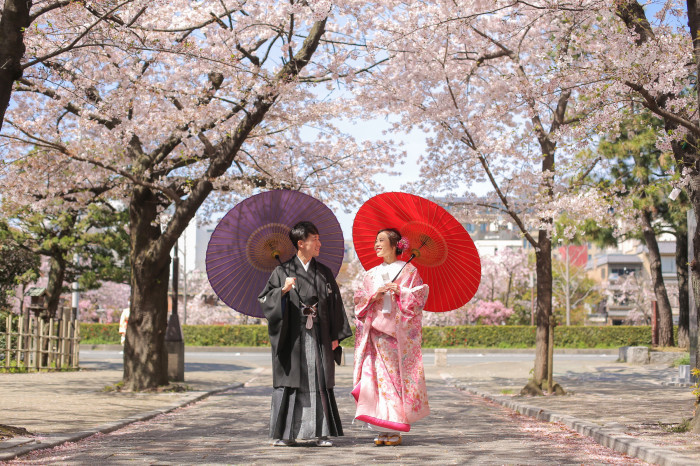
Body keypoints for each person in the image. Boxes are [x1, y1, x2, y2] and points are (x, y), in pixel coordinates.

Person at [258, 221, 352, 447]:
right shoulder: (282, 271)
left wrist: (336, 335)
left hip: (320, 333)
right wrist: (283, 290)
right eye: (315, 239)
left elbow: (336, 304)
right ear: (301, 243)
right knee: (291, 381)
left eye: (319, 239)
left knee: (318, 379)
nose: (319, 243)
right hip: (292, 336)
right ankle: (285, 434)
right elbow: (265, 300)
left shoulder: (325, 272)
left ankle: (321, 433)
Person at [352, 228, 430, 446]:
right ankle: (382, 428)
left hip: (396, 335)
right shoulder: (370, 274)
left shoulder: (409, 271)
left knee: (393, 382)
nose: (376, 244)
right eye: (375, 240)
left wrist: (401, 291)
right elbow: (359, 302)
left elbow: (418, 300)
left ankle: (394, 429)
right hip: (375, 335)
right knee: (375, 382)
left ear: (396, 245)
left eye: (381, 240)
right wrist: (372, 296)